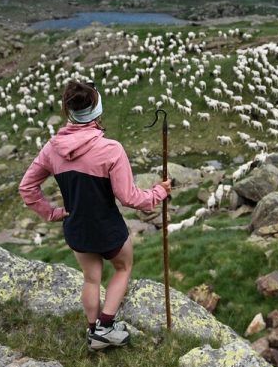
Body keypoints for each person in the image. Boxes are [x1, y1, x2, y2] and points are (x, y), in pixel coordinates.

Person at [18, 80, 171, 351]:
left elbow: (27, 187)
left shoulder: (52, 149)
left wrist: (52, 213)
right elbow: (130, 198)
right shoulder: (111, 149)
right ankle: (105, 327)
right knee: (123, 268)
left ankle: (92, 331)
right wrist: (159, 192)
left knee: (91, 279)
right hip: (108, 227)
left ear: (68, 112)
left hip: (76, 227)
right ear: (98, 112)